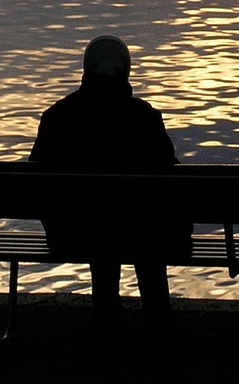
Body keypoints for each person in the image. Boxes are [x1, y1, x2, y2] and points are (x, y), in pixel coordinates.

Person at [29, 34, 190, 330]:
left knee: (101, 226)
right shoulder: (144, 117)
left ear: (87, 70)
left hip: (72, 233)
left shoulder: (57, 117)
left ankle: (107, 324)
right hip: (141, 233)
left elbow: (34, 184)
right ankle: (158, 325)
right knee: (142, 228)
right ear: (125, 71)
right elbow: (171, 176)